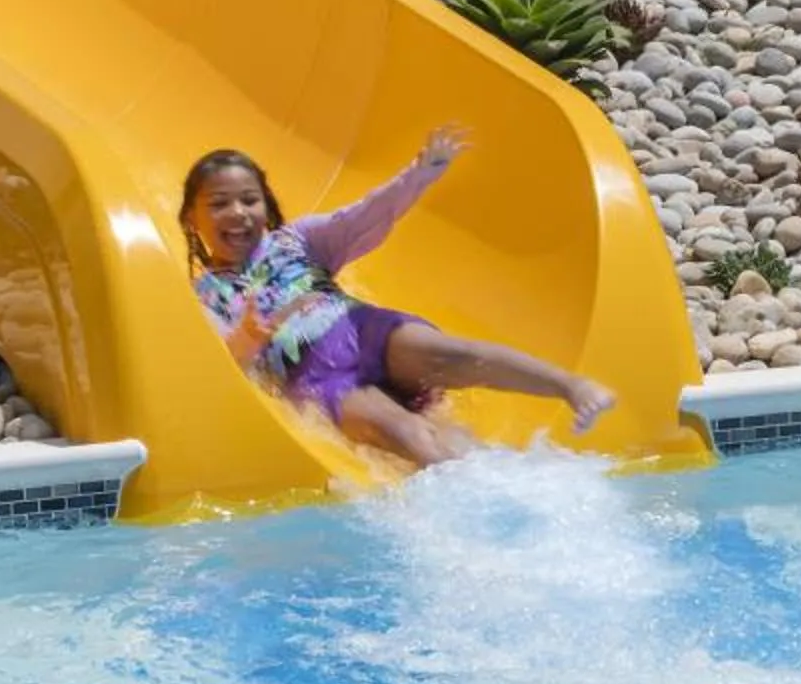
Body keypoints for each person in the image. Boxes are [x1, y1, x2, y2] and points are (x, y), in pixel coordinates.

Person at [181, 128, 615, 468]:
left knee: (458, 355)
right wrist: (248, 339)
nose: (238, 213)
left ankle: (572, 386)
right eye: (219, 204)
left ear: (266, 205)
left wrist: (420, 173)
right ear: (191, 218)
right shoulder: (206, 295)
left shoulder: (298, 241)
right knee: (408, 437)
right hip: (317, 379)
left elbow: (365, 216)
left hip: (362, 331)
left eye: (249, 200)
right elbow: (224, 364)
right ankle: (497, 491)